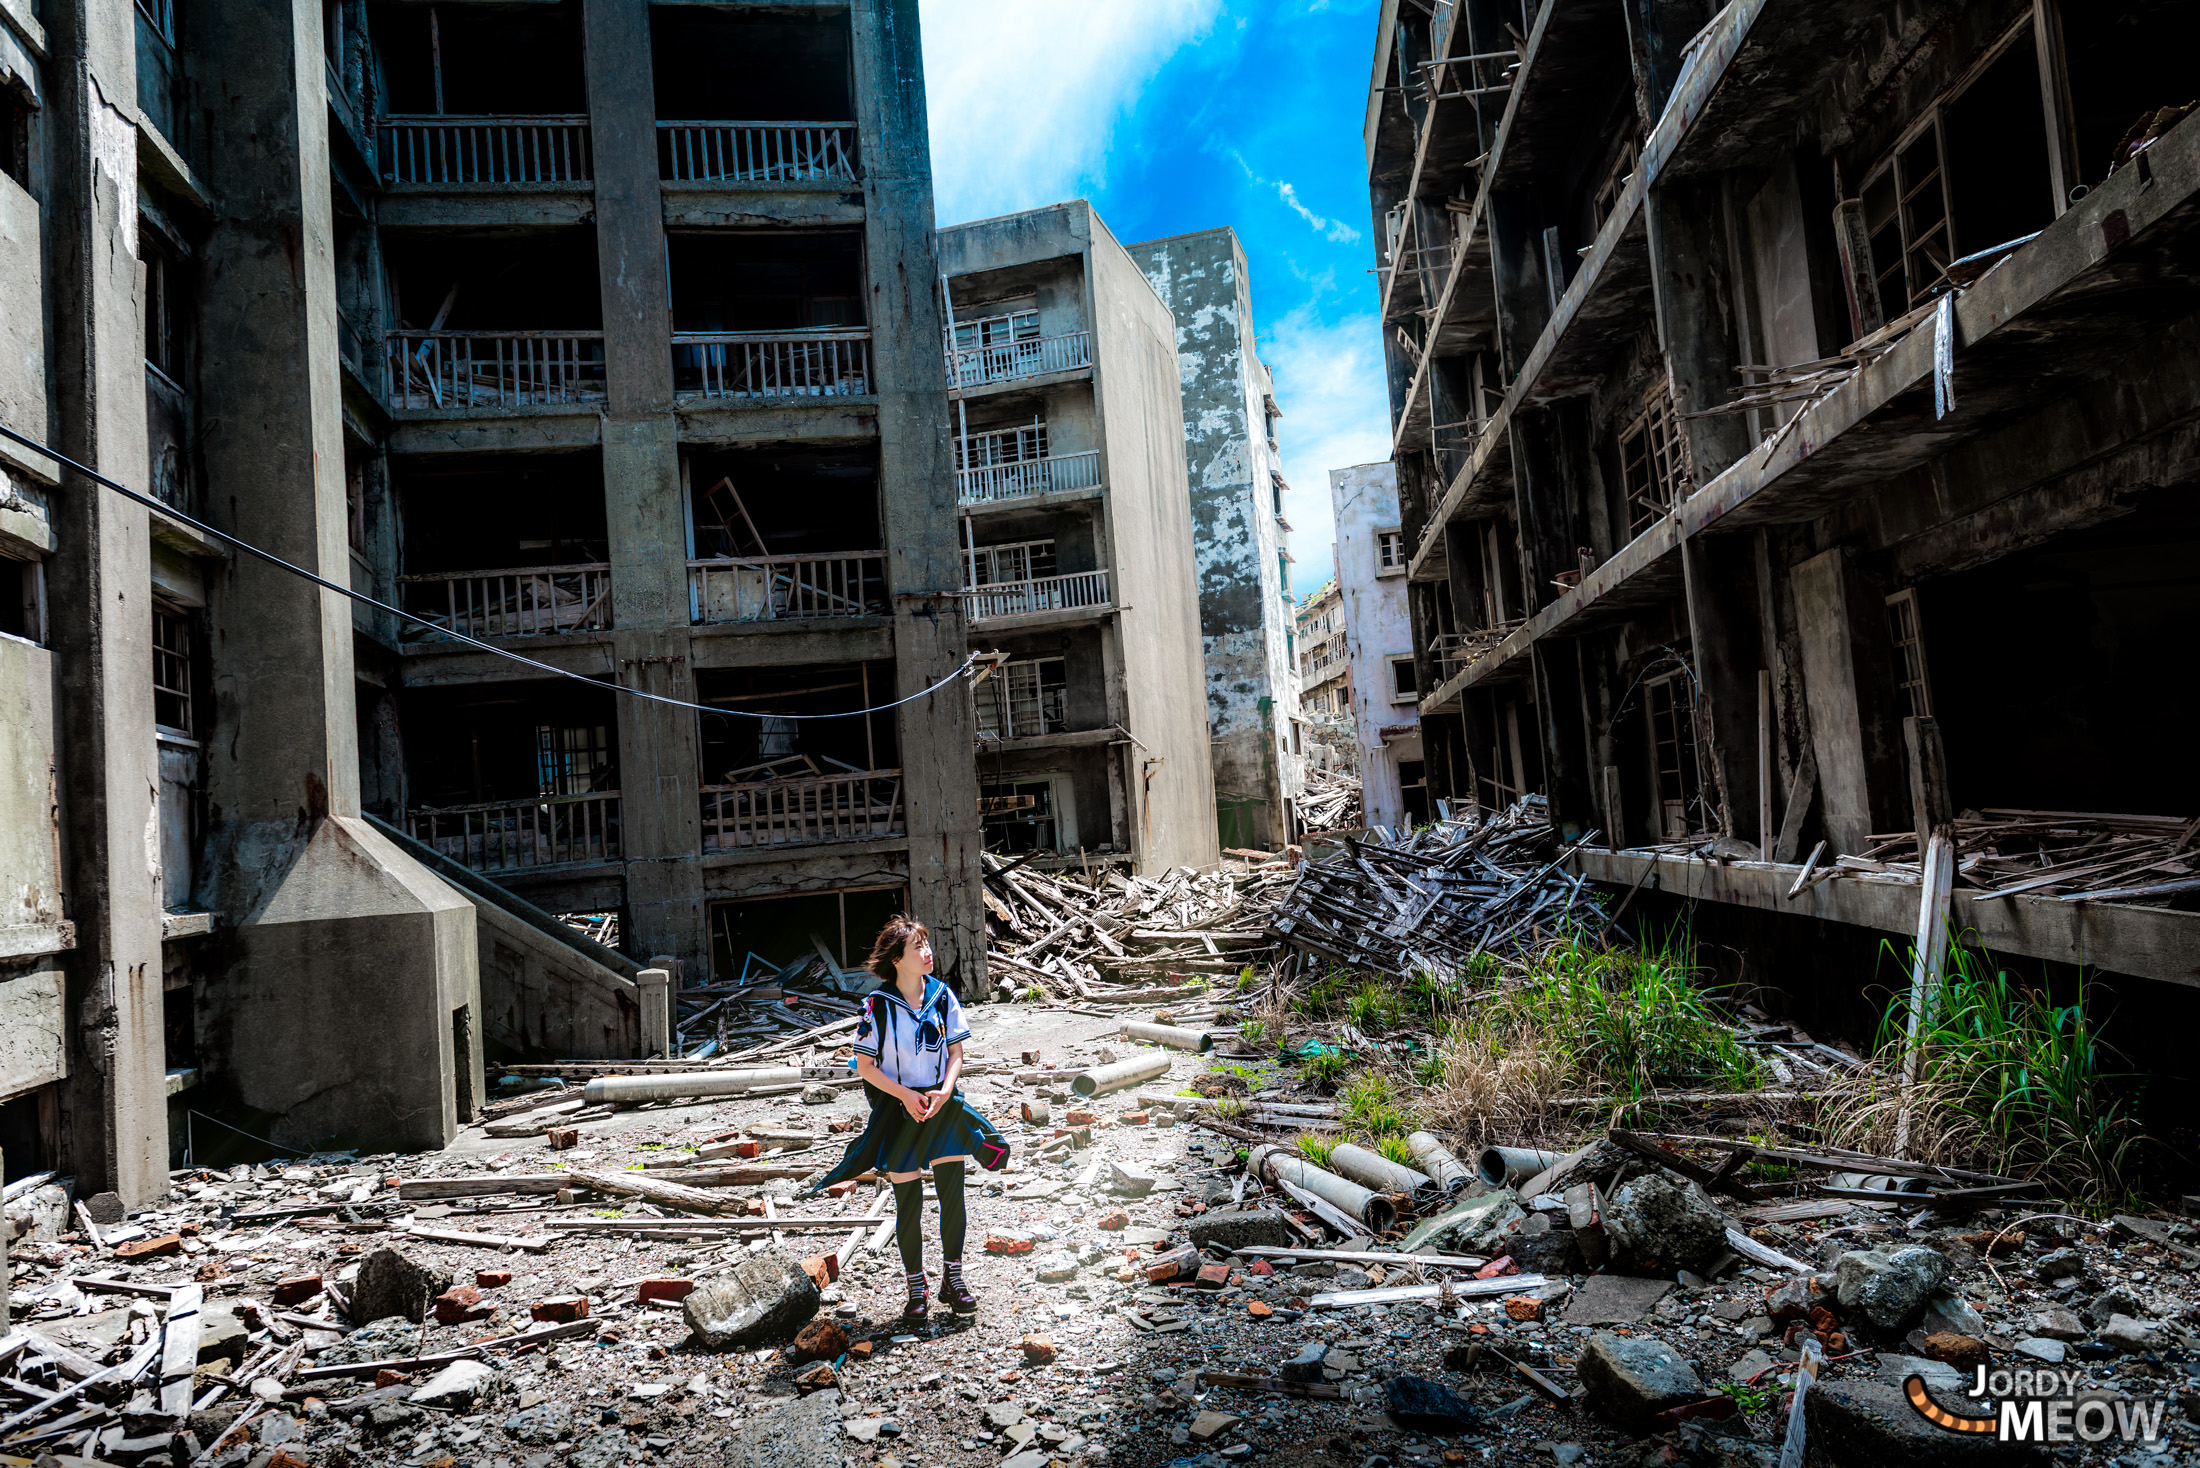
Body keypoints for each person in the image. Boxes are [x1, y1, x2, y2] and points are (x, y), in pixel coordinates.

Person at [808, 915, 1008, 1323]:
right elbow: (864, 1065)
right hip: (900, 1113)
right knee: (908, 1205)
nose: (927, 951)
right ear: (897, 959)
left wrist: (946, 1091)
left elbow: (956, 1055)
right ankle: (916, 1290)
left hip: (942, 1107)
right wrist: (905, 1095)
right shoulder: (876, 1006)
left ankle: (954, 1280)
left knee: (954, 1198)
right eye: (917, 946)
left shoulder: (943, 996)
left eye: (926, 944)